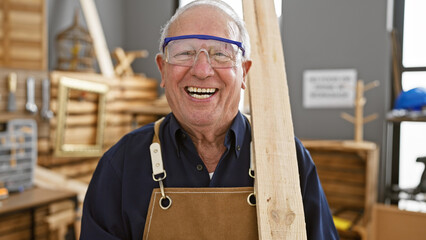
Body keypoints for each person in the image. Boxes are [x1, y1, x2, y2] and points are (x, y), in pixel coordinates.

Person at [80, 0, 338, 239]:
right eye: (184, 53)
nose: (202, 70)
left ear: (244, 74)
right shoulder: (121, 166)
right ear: (162, 69)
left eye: (221, 54)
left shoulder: (288, 160)